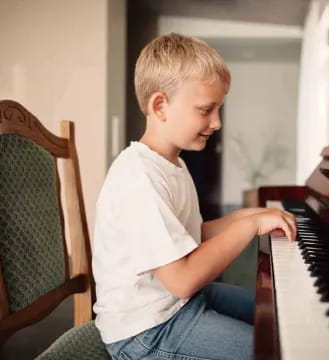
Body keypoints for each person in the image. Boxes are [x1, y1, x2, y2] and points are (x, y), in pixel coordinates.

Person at [92, 33, 297, 360]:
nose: (216, 122)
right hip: (146, 330)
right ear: (160, 105)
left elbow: (188, 235)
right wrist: (248, 227)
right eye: (206, 110)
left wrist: (248, 216)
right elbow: (182, 279)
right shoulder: (138, 175)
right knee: (273, 352)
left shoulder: (173, 163)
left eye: (219, 109)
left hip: (176, 306)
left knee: (279, 315)